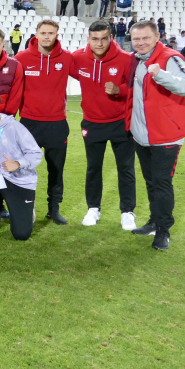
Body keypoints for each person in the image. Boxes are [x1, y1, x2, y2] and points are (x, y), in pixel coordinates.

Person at [127, 21, 185, 250]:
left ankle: (164, 230)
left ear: (157, 36)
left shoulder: (170, 57)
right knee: (151, 182)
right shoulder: (135, 59)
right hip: (141, 134)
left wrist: (162, 75)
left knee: (162, 182)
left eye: (145, 38)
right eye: (136, 39)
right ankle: (154, 221)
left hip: (166, 135)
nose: (140, 43)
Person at [71, 21, 138, 230]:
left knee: (126, 169)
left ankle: (127, 212)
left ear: (111, 38)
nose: (99, 43)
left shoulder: (127, 60)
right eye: (95, 39)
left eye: (104, 38)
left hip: (121, 122)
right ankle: (93, 208)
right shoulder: (78, 58)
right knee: (93, 168)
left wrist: (120, 90)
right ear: (88, 39)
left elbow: (138, 89)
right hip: (92, 122)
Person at [14, 19, 75, 224]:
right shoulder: (22, 57)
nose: (47, 36)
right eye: (43, 33)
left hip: (57, 123)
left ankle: (53, 209)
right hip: (29, 123)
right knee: (23, 168)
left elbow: (88, 76)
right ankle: (25, 207)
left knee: (56, 169)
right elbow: (13, 88)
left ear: (57, 35)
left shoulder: (66, 58)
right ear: (36, 34)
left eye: (51, 33)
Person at [0, 91, 44, 240]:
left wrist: (18, 164)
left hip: (20, 178)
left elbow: (36, 154)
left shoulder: (14, 127)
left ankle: (27, 210)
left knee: (21, 235)